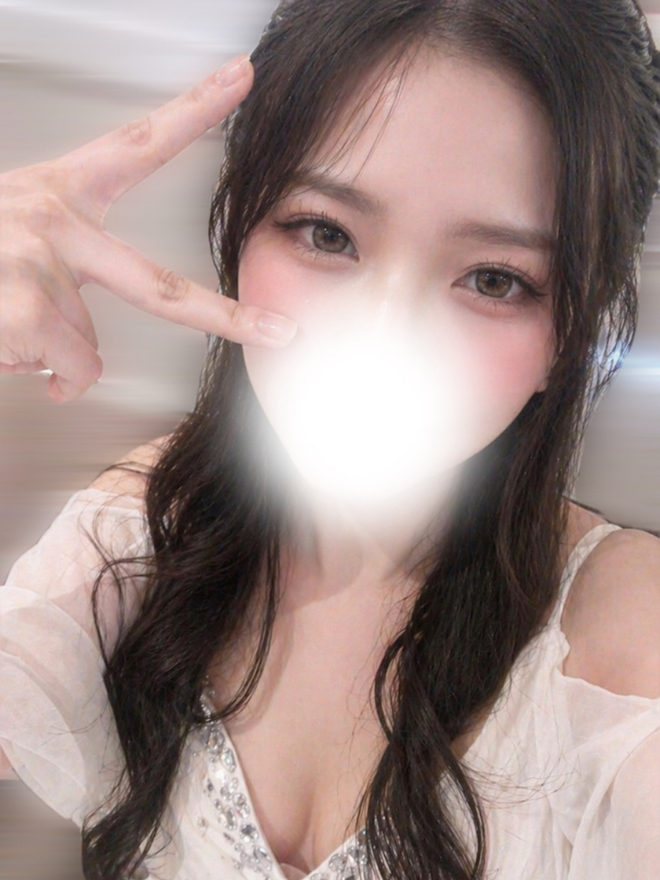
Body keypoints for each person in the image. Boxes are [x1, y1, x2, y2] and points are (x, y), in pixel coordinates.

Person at [1, 1, 659, 878]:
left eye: (495, 279)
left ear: (572, 330)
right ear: (239, 227)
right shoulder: (148, 528)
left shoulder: (621, 642)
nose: (383, 338)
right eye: (327, 234)